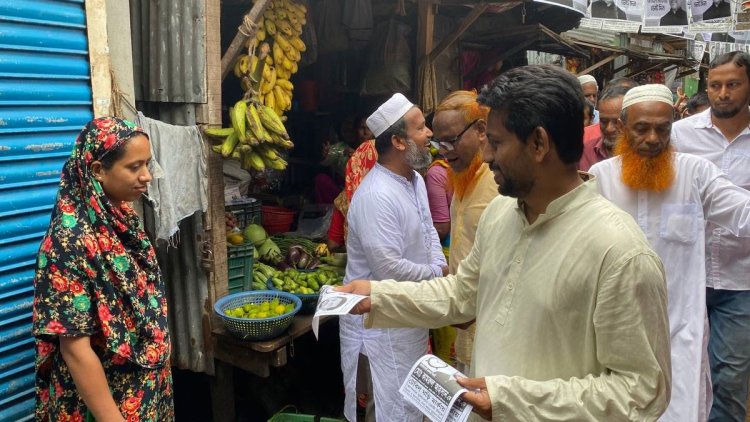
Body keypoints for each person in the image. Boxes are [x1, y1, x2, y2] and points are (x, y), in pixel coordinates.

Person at [338, 65, 671, 421]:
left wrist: (511, 400)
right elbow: (463, 295)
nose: (486, 157)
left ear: (539, 143)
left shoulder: (620, 252)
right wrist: (379, 296)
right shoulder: (501, 213)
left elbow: (641, 391)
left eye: (496, 143)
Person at [590, 84, 750, 422]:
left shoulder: (696, 173)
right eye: (642, 128)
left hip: (681, 329)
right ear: (621, 125)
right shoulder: (599, 179)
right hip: (615, 328)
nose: (652, 138)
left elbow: (742, 212)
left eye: (662, 129)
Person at [32, 117, 173, 421]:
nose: (147, 176)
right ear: (97, 171)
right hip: (105, 405)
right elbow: (75, 350)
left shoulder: (120, 218)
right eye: (134, 167)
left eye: (147, 164)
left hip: (142, 392)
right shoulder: (68, 244)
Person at [340, 93, 448, 422]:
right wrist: (436, 277)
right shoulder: (376, 195)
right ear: (399, 141)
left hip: (408, 313)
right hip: (379, 324)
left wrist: (439, 266)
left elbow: (429, 229)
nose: (429, 133)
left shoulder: (413, 180)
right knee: (387, 406)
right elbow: (388, 268)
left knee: (411, 404)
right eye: (420, 128)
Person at [671, 51, 750, 422]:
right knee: (682, 369)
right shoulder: (679, 135)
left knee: (730, 377)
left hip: (741, 279)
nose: (723, 93)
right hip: (687, 274)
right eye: (715, 85)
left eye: (733, 84)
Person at [431, 90, 498, 375]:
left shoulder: (498, 181)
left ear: (481, 130)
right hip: (465, 324)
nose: (444, 151)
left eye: (451, 141)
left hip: (491, 332)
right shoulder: (461, 178)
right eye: (439, 143)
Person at [579, 83, 635, 171]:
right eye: (604, 121)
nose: (609, 128)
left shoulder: (644, 153)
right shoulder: (584, 153)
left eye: (617, 122)